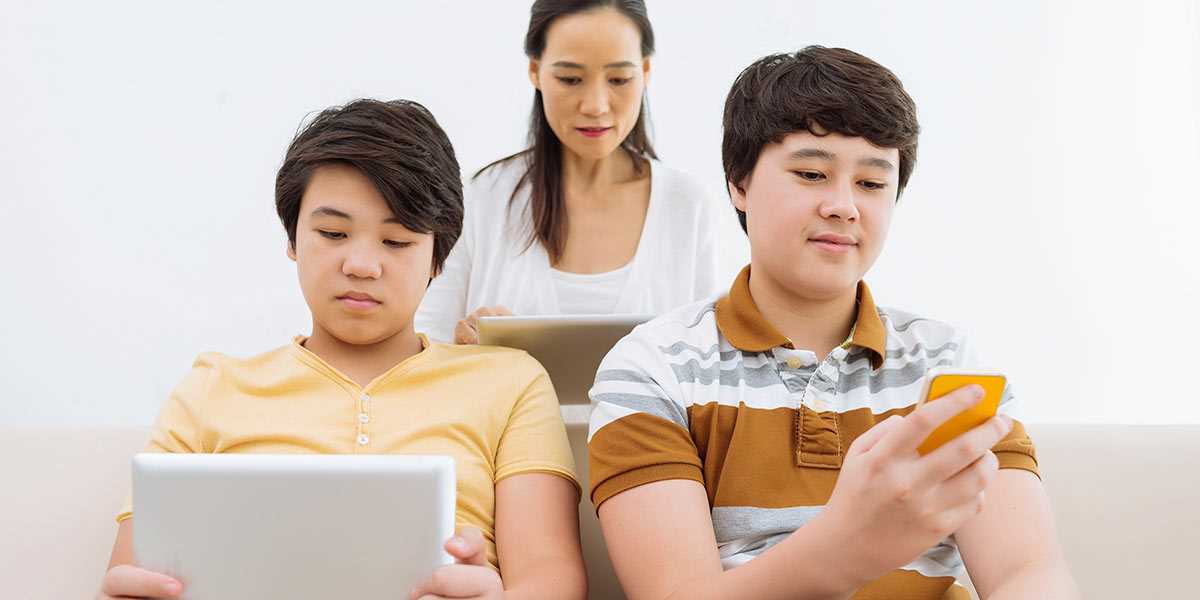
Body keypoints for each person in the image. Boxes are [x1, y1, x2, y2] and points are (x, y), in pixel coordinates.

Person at [587, 47, 1079, 599]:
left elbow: (1028, 575)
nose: (844, 206)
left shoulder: (946, 363)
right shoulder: (654, 367)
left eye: (871, 184)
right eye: (812, 173)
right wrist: (851, 544)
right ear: (739, 183)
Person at [96, 99, 585, 600]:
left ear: (438, 258)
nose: (362, 264)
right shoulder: (212, 387)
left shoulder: (510, 382)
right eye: (333, 233)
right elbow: (132, 574)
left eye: (396, 241)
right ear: (292, 237)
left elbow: (550, 575)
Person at [415, 0, 722, 345]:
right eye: (570, 79)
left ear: (646, 71)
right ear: (535, 71)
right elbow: (421, 346)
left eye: (619, 79)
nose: (595, 105)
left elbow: (710, 364)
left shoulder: (686, 205)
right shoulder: (483, 197)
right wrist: (460, 349)